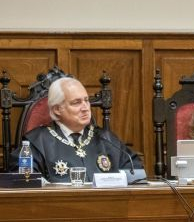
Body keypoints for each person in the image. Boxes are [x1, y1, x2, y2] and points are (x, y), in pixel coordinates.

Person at [8, 77, 143, 182]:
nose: (85, 107)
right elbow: (23, 181)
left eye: (86, 100)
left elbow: (135, 172)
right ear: (57, 109)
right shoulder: (37, 142)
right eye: (76, 102)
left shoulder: (106, 139)